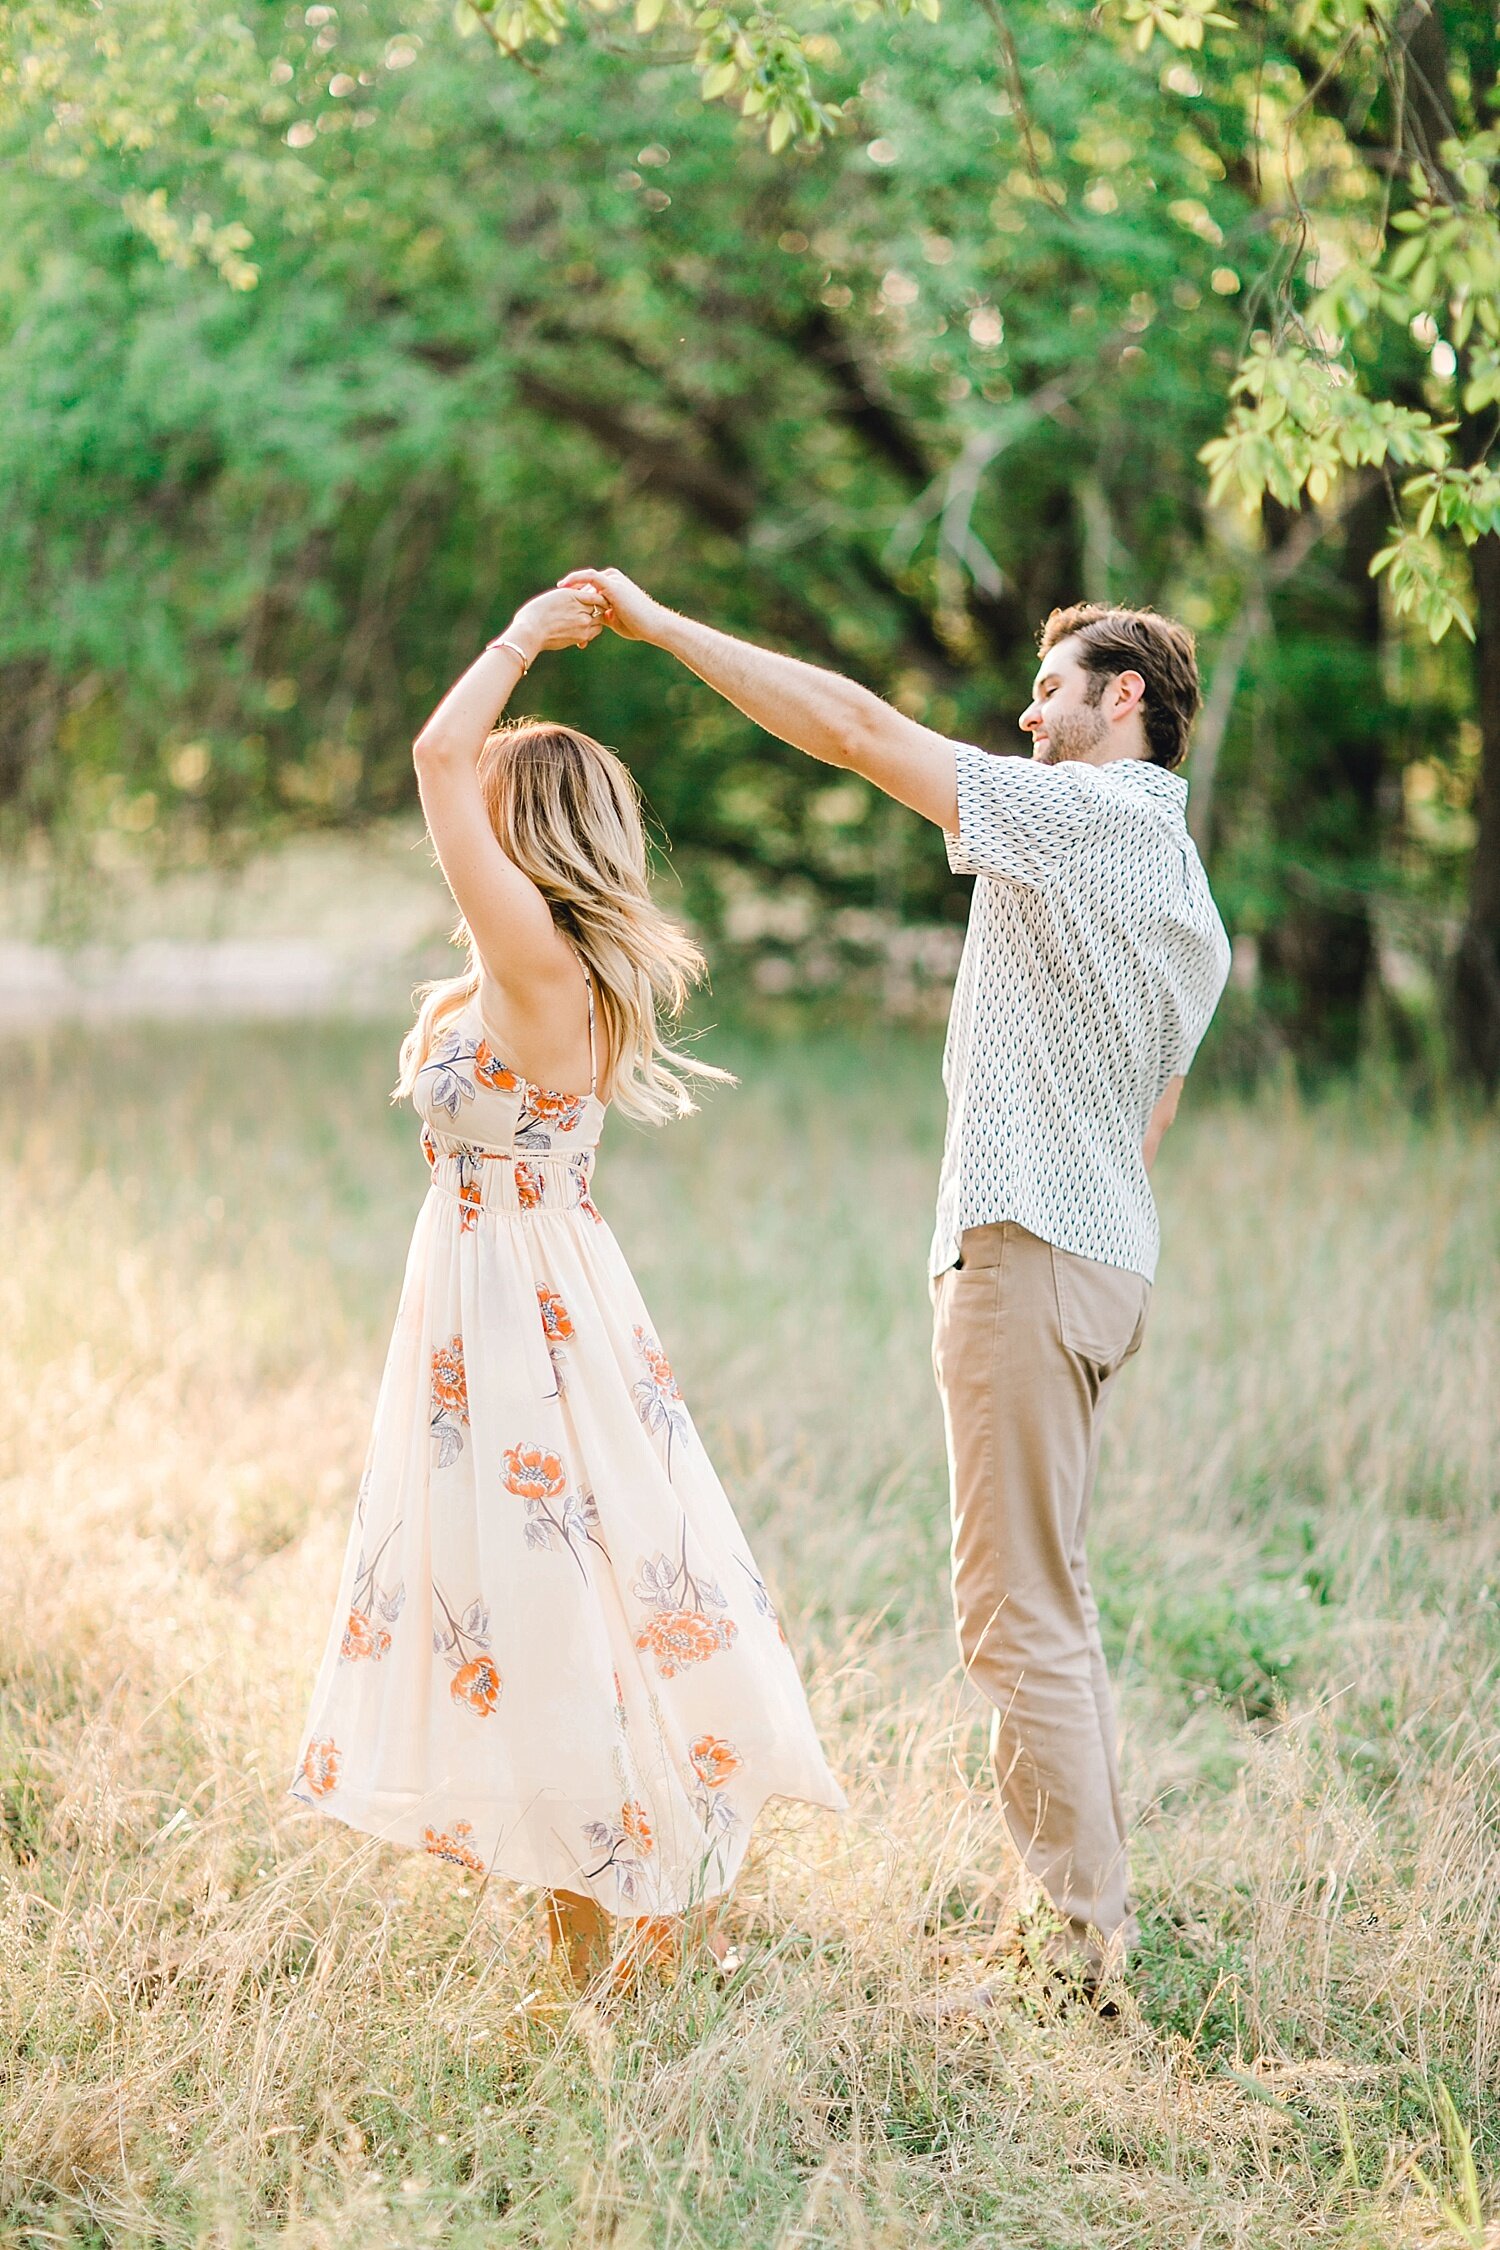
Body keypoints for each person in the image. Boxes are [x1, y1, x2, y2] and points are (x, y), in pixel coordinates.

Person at [562, 569, 1231, 2000]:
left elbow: (862, 732)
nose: (1026, 711)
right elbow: (1151, 1118)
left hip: (1030, 1251)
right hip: (1103, 1255)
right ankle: (1073, 1915)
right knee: (1052, 1600)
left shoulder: (1087, 815)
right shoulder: (1189, 894)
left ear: (1127, 701)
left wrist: (669, 625)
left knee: (1016, 1613)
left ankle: (1074, 1951)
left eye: (1053, 688)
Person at [289, 582, 845, 1986]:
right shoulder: (532, 967)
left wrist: (527, 632)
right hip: (506, 1295)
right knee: (546, 1581)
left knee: (545, 1591)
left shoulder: (536, 960)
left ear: (522, 828)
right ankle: (609, 1920)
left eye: (487, 812)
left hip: (519, 1305)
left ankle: (605, 1931)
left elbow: (429, 756)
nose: (454, 832)